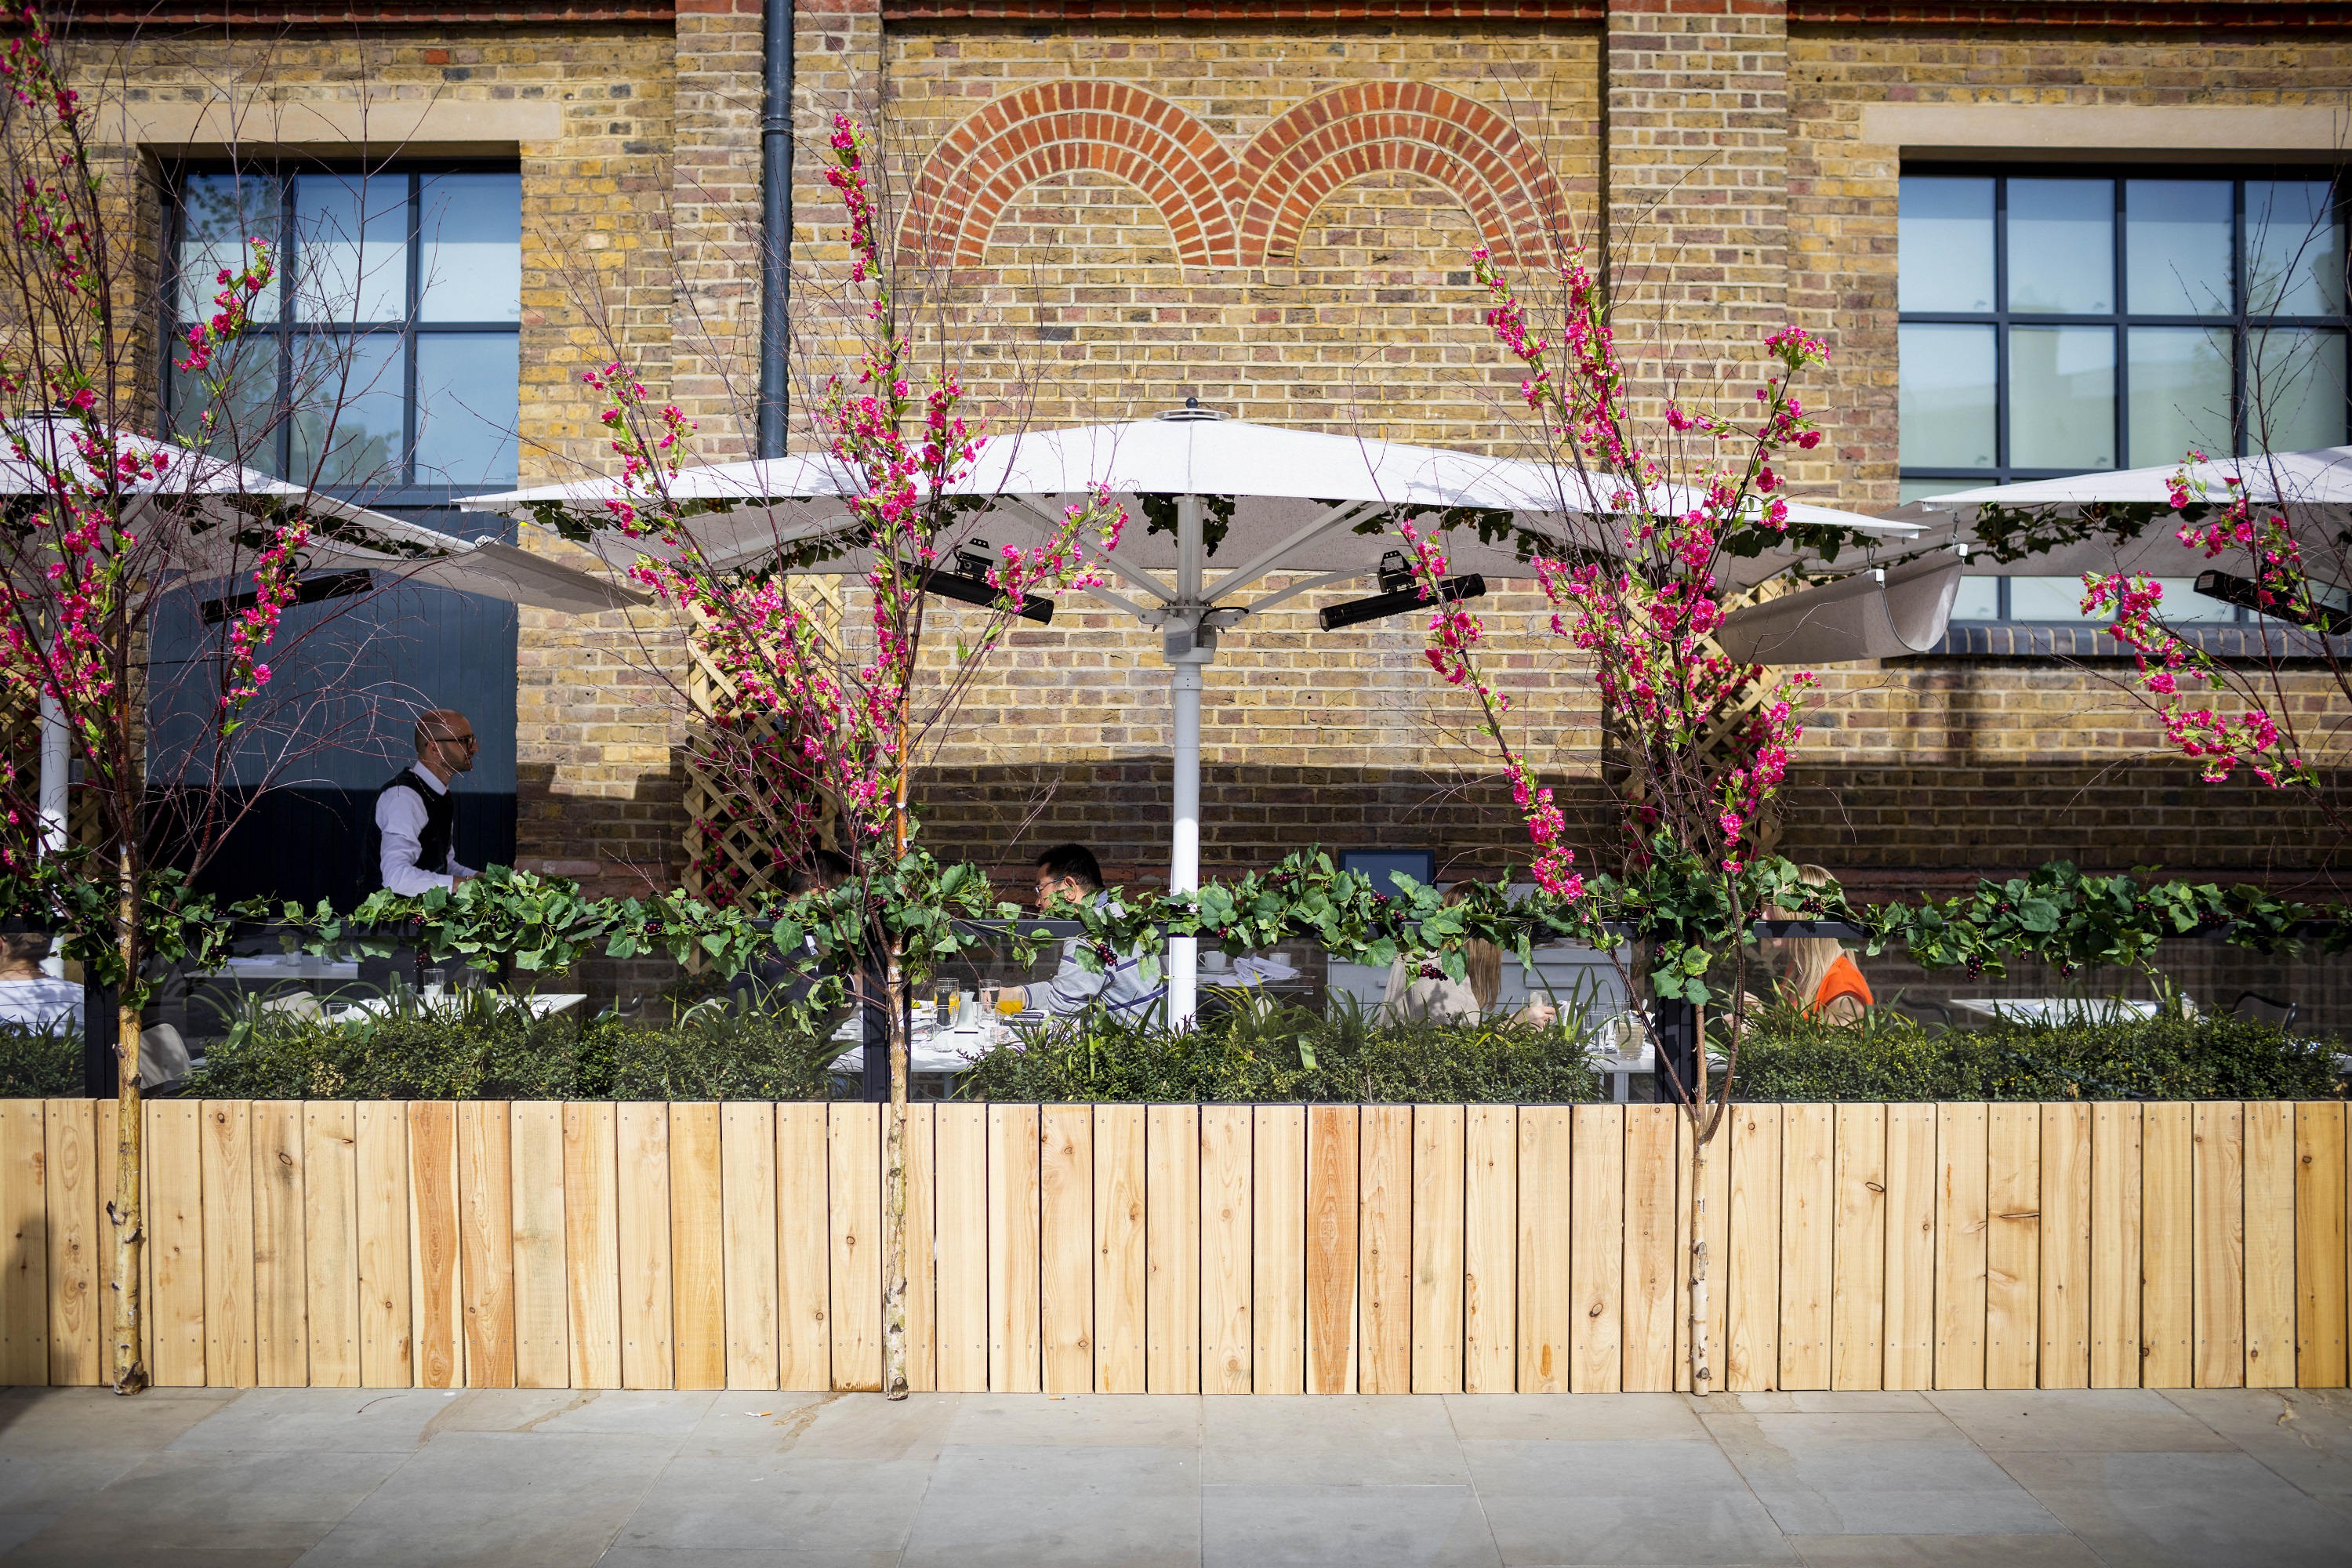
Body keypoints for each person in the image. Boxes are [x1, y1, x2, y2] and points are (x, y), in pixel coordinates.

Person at [986, 844, 1166, 1019]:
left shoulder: (1090, 933)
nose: (1038, 902)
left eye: (1040, 889)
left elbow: (1063, 1012)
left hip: (1134, 1040)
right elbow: (1068, 990)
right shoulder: (1113, 917)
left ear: (1069, 888)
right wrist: (1018, 994)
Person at [1377, 882, 1557, 1026]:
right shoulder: (1436, 970)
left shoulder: (1426, 957)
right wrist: (1514, 1025)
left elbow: (1452, 1031)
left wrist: (1509, 1021)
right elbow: (1457, 1048)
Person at [370, 709, 481, 896]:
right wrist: (458, 884)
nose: (474, 748)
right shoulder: (403, 797)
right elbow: (396, 878)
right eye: (465, 740)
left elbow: (442, 865)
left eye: (473, 739)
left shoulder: (439, 795)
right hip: (387, 915)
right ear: (434, 748)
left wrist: (478, 879)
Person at [1771, 862, 1872, 1024]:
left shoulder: (1843, 985)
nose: (1764, 916)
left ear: (1802, 917)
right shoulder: (1799, 970)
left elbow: (1837, 1043)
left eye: (1775, 908)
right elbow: (1785, 1031)